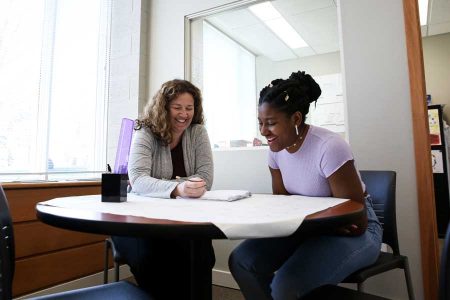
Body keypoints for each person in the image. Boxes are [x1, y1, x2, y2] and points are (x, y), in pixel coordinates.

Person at [228, 71, 382, 300]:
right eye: (260, 123)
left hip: (359, 228)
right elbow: (283, 204)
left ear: (296, 119)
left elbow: (355, 222)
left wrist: (310, 225)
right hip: (309, 225)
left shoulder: (329, 147)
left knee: (287, 286)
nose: (263, 132)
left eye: (270, 123)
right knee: (242, 261)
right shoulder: (276, 151)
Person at [112, 79, 214, 299]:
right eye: (177, 107)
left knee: (201, 252)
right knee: (156, 259)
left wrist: (163, 185)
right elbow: (138, 179)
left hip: (181, 218)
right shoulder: (145, 131)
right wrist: (180, 188)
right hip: (140, 221)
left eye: (189, 108)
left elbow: (205, 178)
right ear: (164, 107)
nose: (184, 114)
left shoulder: (198, 133)